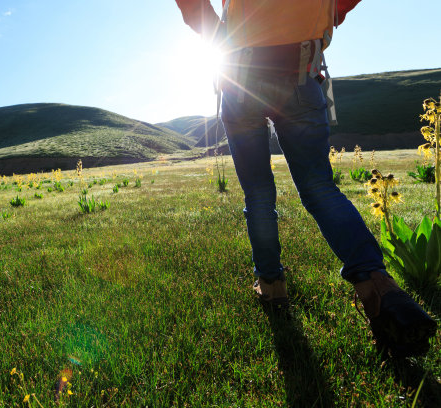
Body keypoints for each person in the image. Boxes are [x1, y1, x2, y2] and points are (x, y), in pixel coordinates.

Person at [174, 0, 437, 357]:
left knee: (258, 194)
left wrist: (219, 33)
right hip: (301, 67)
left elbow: (192, 8)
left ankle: (271, 285)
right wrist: (327, 14)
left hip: (240, 72)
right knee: (319, 188)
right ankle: (379, 287)